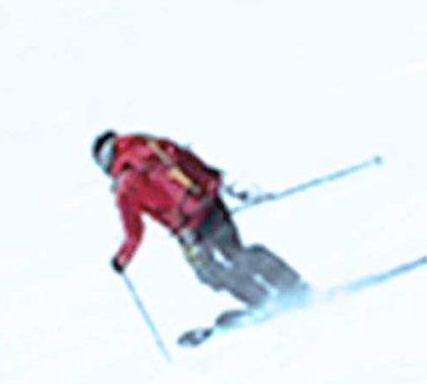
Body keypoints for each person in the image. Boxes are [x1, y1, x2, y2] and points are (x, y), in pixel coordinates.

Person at [94, 130, 307, 312]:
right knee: (236, 252)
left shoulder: (125, 187)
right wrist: (214, 183)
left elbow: (134, 232)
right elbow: (189, 159)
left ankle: (261, 300)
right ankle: (292, 285)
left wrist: (122, 259)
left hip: (188, 230)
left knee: (209, 272)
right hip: (210, 203)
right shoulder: (151, 145)